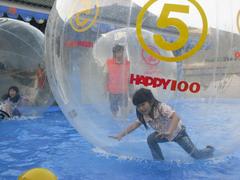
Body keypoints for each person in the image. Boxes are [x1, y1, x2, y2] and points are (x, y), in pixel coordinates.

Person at [110, 88, 214, 160]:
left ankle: (209, 150)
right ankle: (159, 160)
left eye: (143, 104)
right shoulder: (145, 115)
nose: (141, 108)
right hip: (163, 134)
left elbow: (176, 117)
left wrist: (169, 131)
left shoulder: (161, 107)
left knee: (196, 155)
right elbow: (135, 125)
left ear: (150, 101)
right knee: (151, 139)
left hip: (178, 133)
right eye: (138, 106)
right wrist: (121, 135)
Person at [105, 44, 130, 118]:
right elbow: (106, 76)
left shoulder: (127, 63)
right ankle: (114, 118)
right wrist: (105, 88)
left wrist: (131, 89)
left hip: (123, 90)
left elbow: (129, 77)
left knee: (124, 107)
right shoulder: (109, 62)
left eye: (121, 52)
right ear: (114, 53)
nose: (119, 54)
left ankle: (124, 119)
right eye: (117, 52)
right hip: (112, 90)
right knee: (113, 107)